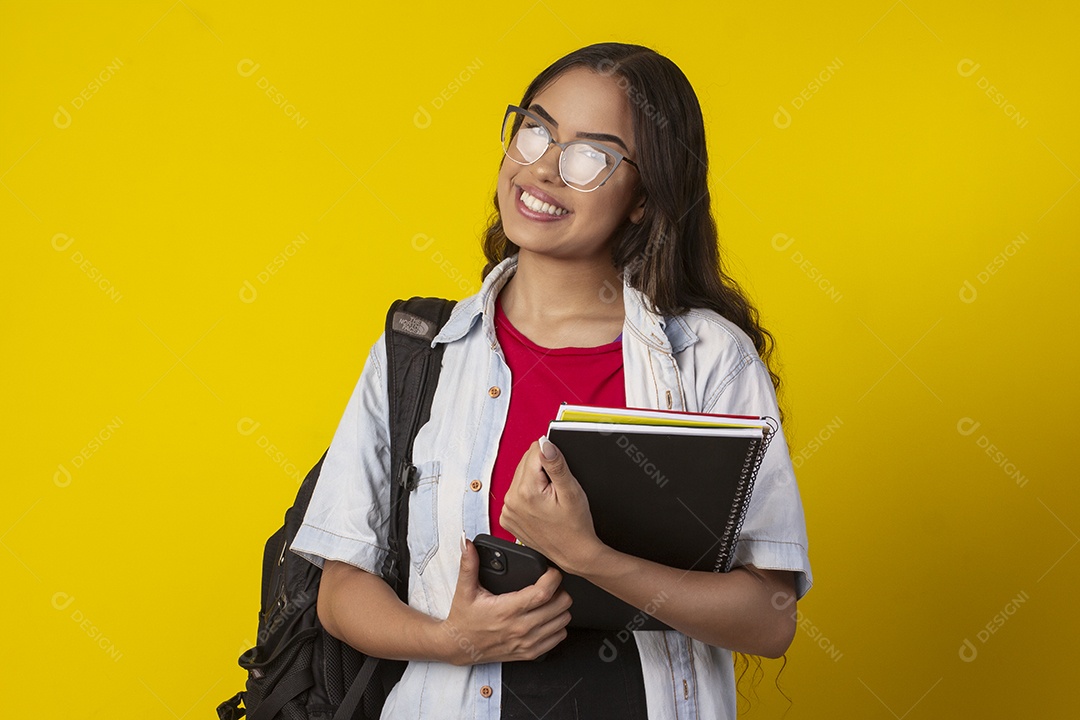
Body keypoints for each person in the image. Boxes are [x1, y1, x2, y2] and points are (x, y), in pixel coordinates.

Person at [290, 41, 812, 720]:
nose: (542, 168)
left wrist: (588, 556)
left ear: (642, 198)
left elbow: (769, 619)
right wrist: (453, 639)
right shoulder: (421, 350)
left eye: (590, 156)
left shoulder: (708, 358)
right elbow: (339, 591)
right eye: (535, 130)